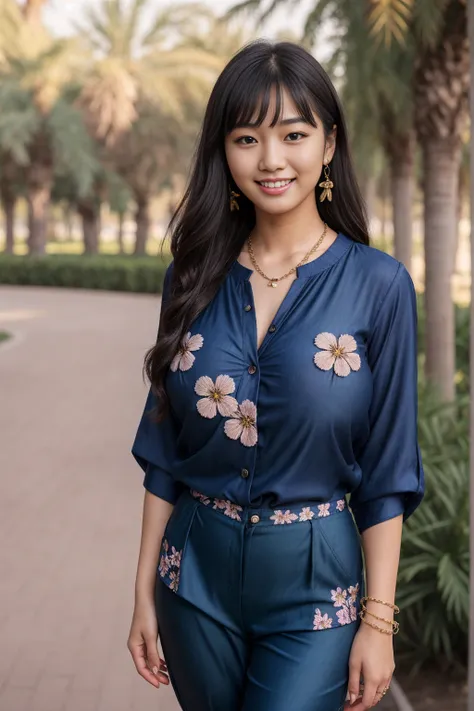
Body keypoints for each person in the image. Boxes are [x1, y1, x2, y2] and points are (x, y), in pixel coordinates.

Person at [126, 39, 425, 711]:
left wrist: (378, 622)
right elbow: (165, 455)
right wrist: (143, 590)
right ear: (223, 152)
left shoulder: (379, 286)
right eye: (246, 137)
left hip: (317, 584)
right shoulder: (191, 277)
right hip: (192, 576)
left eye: (293, 133)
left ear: (328, 145)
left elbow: (388, 472)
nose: (270, 159)